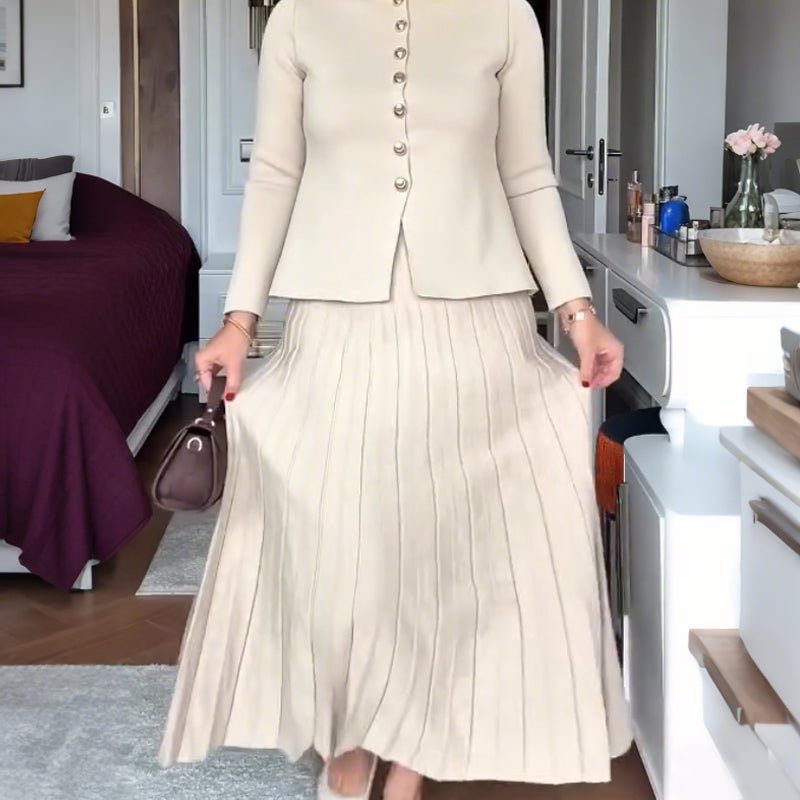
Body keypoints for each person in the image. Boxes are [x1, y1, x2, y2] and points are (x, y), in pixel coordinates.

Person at [159, 0, 632, 798]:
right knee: (342, 552)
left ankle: (411, 761)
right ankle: (349, 748)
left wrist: (576, 312)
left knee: (448, 558)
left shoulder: (506, 17)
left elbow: (525, 174)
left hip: (477, 326)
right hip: (337, 323)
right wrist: (239, 322)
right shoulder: (298, 18)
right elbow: (275, 174)